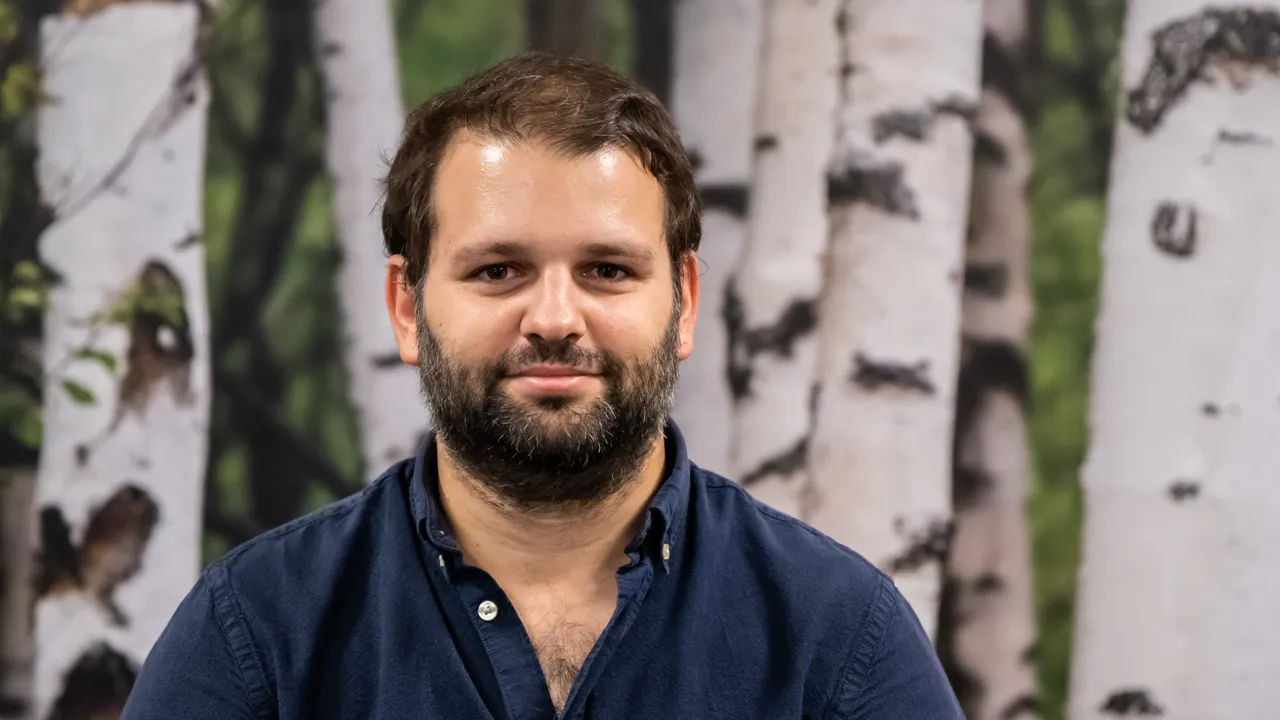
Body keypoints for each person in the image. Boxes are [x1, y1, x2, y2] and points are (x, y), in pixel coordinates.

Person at [121, 51, 963, 720]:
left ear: (684, 302)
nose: (555, 317)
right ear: (406, 306)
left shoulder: (838, 637)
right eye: (497, 270)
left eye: (606, 269)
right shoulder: (258, 634)